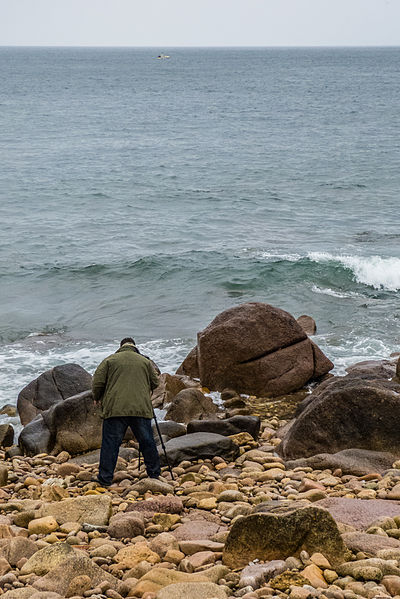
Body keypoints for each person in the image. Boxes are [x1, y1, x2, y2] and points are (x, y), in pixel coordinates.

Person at [92, 337, 161, 487]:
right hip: (140, 408)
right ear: (134, 347)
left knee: (110, 443)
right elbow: (155, 382)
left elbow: (98, 382)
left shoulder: (110, 360)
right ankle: (154, 474)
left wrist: (96, 397)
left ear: (121, 347)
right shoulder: (145, 362)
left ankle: (105, 479)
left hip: (115, 409)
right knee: (147, 441)